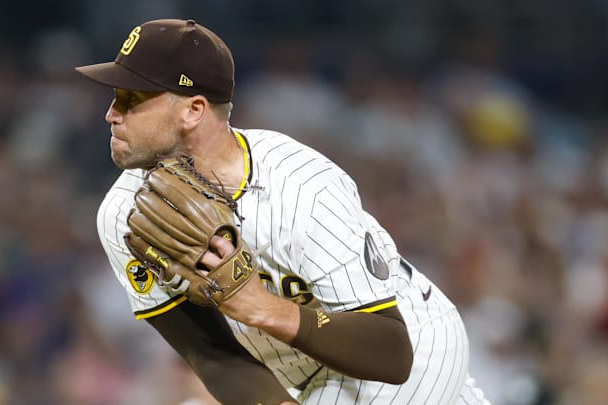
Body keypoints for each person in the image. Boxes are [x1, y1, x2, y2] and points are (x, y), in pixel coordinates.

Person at [76, 18, 490, 405]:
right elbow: (209, 352)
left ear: (193, 110)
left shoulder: (302, 185)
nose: (111, 114)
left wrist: (260, 307)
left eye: (132, 99)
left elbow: (392, 352)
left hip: (410, 347)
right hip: (304, 375)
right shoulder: (124, 215)